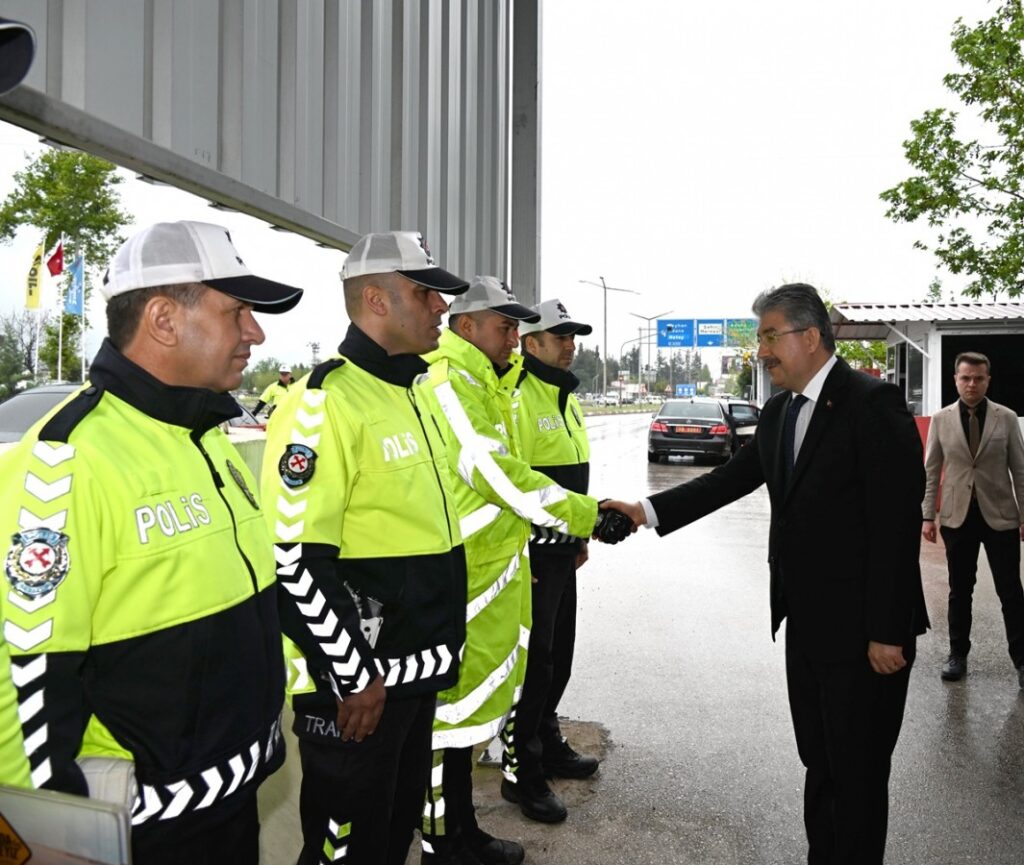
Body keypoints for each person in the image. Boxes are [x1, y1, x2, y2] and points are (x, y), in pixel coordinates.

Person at [0, 220, 302, 863]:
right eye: (238, 311)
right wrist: (57, 843)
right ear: (164, 319)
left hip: (231, 804)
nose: (257, 332)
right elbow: (19, 686)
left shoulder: (210, 440)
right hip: (145, 834)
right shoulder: (65, 462)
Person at [605, 283, 928, 865]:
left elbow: (894, 526)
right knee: (820, 762)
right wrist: (646, 511)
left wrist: (887, 630)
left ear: (809, 337)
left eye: (770, 337)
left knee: (857, 773)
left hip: (864, 634)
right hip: (805, 623)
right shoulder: (781, 411)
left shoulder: (871, 404)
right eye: (761, 339)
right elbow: (729, 480)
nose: (762, 352)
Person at [260, 231, 470, 865]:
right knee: (343, 850)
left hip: (411, 675)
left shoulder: (417, 393)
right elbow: (294, 558)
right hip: (356, 692)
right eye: (426, 292)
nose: (442, 308)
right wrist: (354, 674)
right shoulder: (325, 403)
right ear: (377, 299)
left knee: (390, 835)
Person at [415, 277, 604, 863]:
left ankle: (461, 828)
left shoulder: (487, 383)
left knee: (481, 703)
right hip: (467, 575)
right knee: (450, 716)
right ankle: (444, 841)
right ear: (466, 326)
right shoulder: (456, 384)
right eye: (506, 326)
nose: (514, 338)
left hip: (505, 563)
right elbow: (497, 473)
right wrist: (589, 516)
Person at [498, 298, 600, 824]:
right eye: (560, 337)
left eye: (573, 337)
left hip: (563, 548)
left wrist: (579, 534)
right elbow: (512, 483)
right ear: (529, 342)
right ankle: (522, 773)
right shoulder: (516, 396)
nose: (570, 346)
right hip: (531, 552)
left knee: (558, 654)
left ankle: (546, 739)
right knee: (532, 666)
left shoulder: (566, 396)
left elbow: (570, 477)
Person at [921, 352, 1024, 687]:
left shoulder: (1006, 418)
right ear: (955, 379)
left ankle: (1022, 661)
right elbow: (931, 470)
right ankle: (957, 655)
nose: (971, 384)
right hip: (957, 517)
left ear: (988, 380)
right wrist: (927, 516)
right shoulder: (941, 419)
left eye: (978, 378)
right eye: (965, 378)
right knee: (959, 590)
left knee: (1011, 591)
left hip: (1001, 516)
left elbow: (1020, 471)